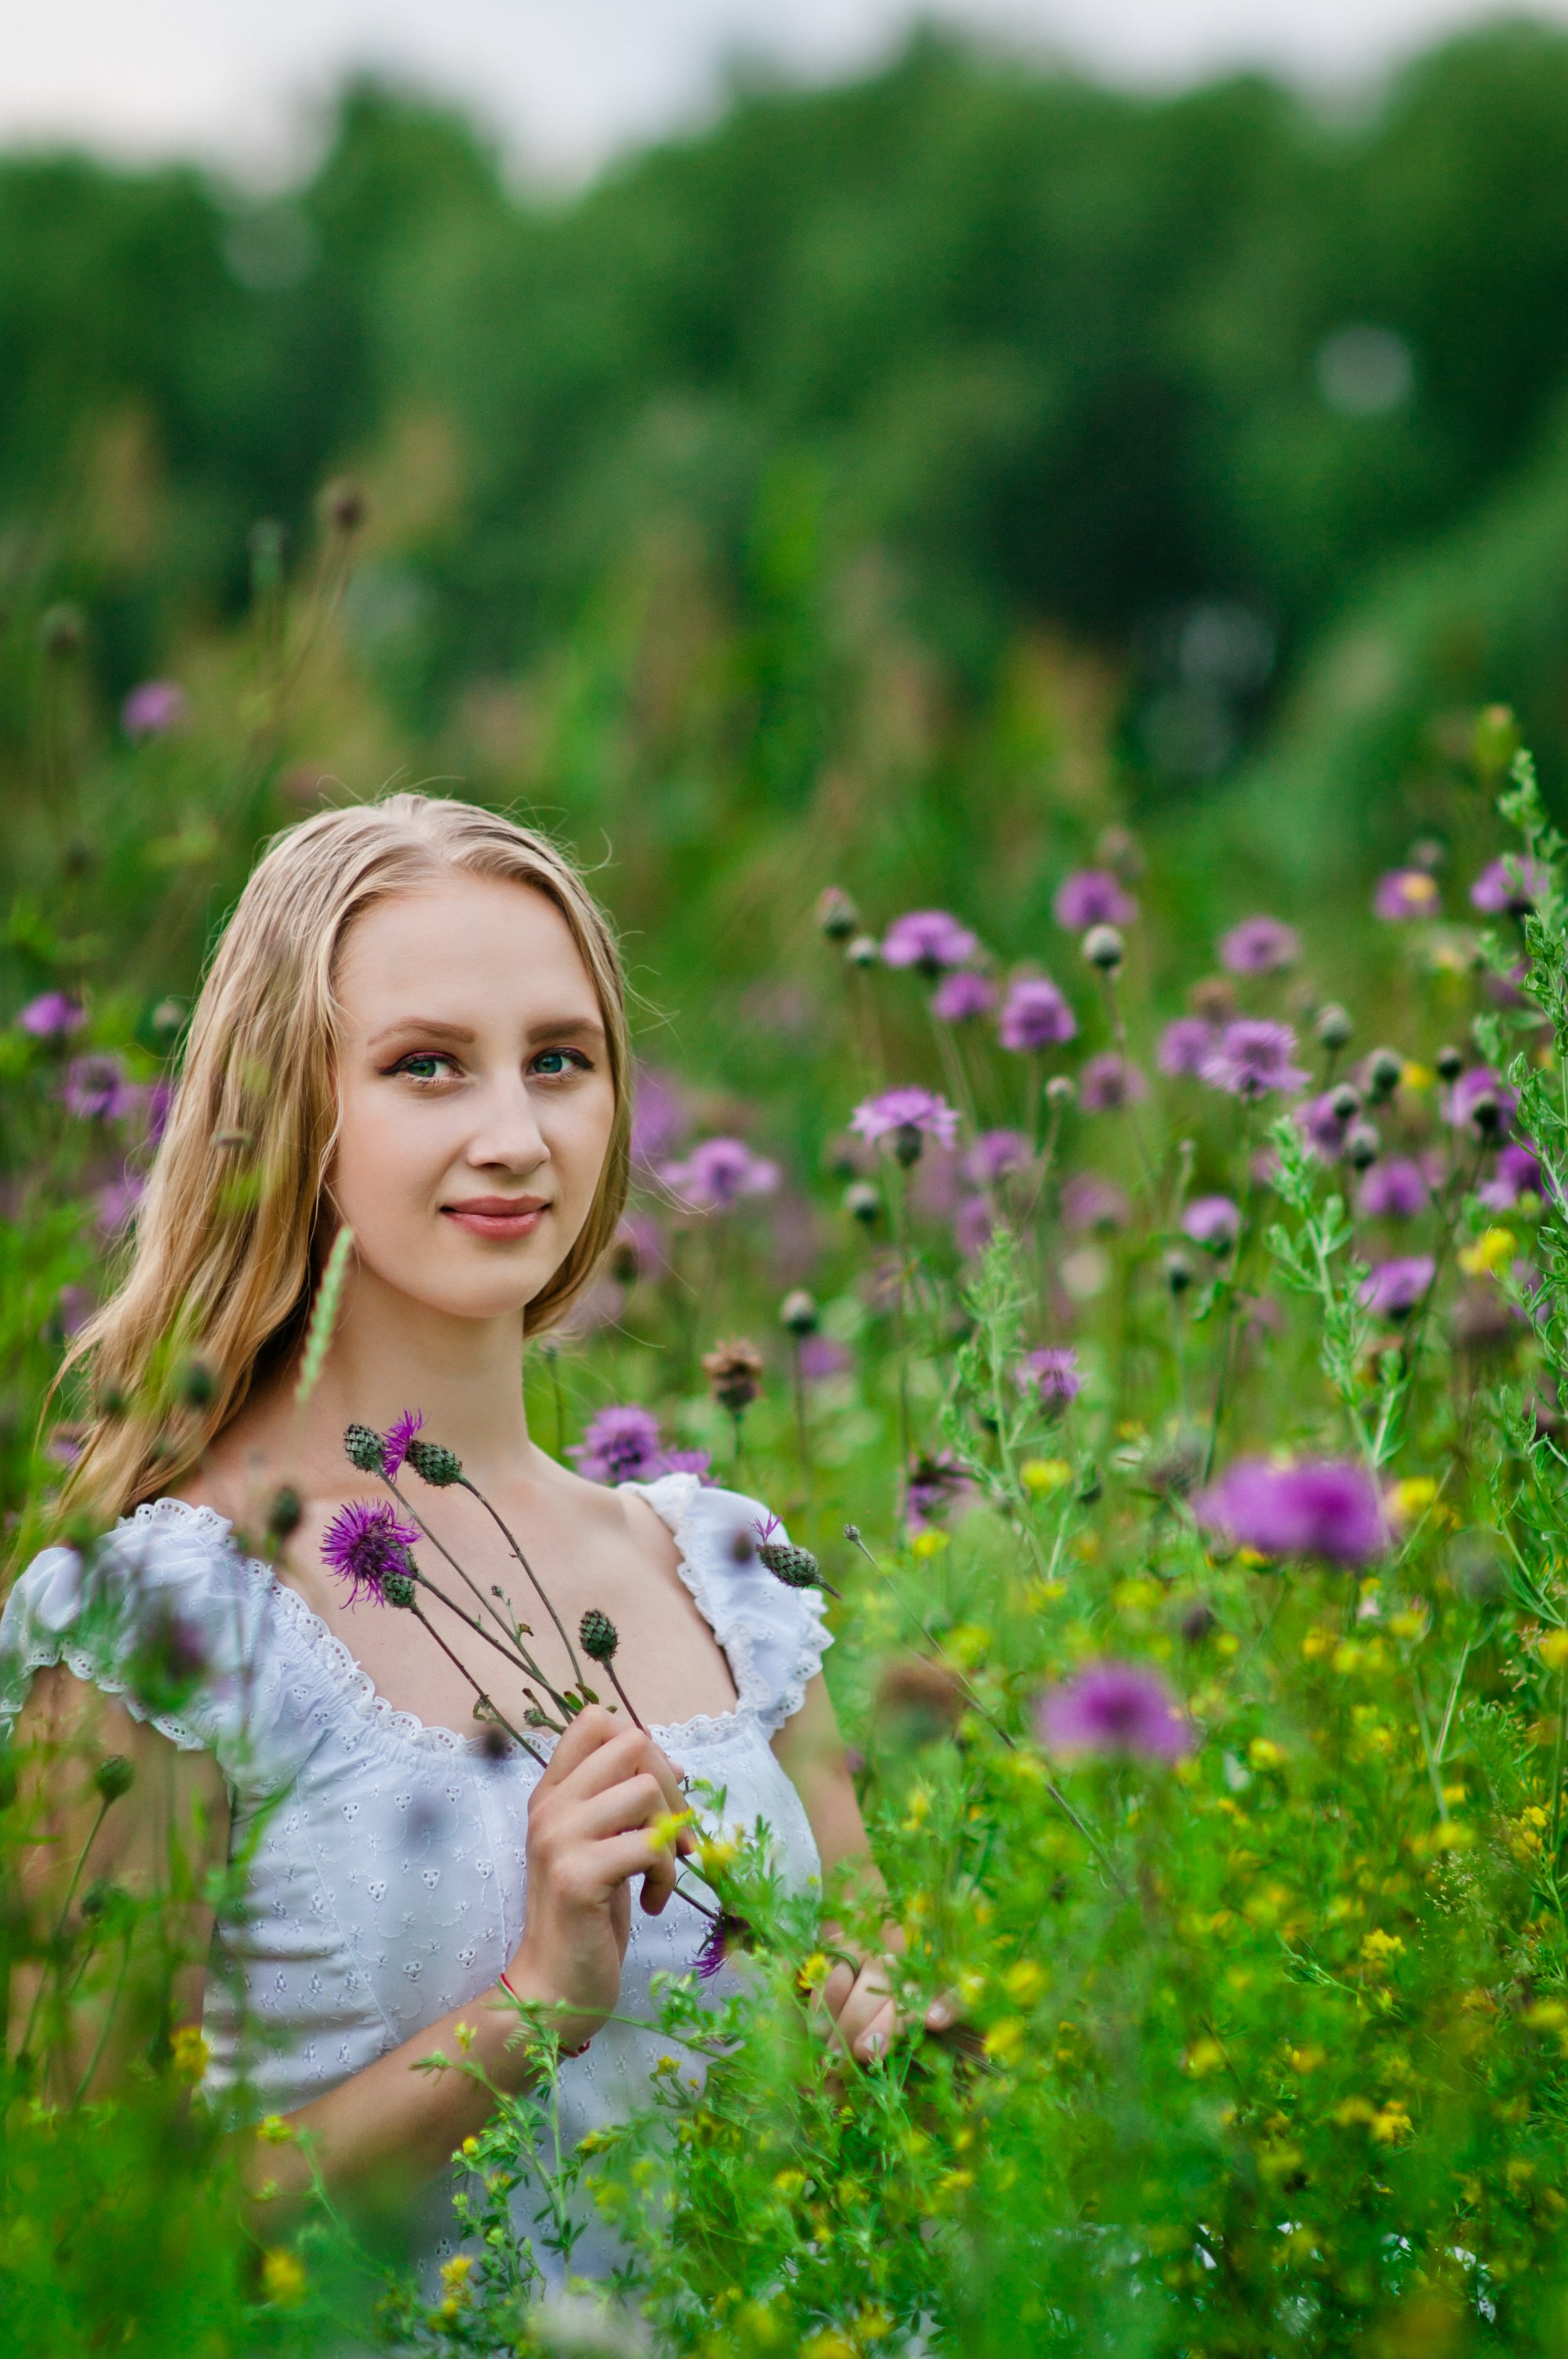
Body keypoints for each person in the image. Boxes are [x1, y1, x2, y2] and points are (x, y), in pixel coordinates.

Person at [0, 796, 935, 2274]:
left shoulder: (725, 1571)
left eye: (559, 1061)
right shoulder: (162, 1620)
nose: (515, 1134)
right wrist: (528, 2009)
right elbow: (81, 2251)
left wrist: (888, 2051)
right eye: (426, 1066)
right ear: (293, 1111)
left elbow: (858, 2032)